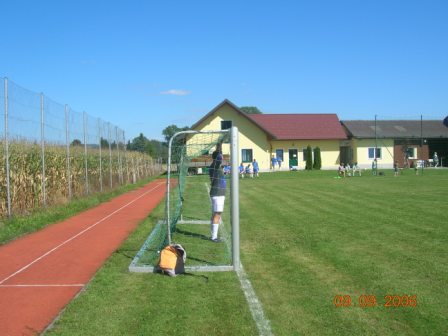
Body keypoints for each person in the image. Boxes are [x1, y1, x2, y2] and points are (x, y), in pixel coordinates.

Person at [209, 145, 226, 242]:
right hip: (217, 194)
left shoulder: (215, 165)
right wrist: (219, 146)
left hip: (218, 193)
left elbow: (219, 157)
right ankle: (214, 237)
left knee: (216, 214)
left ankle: (213, 235)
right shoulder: (215, 165)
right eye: (221, 156)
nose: (222, 158)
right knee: (217, 214)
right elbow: (219, 157)